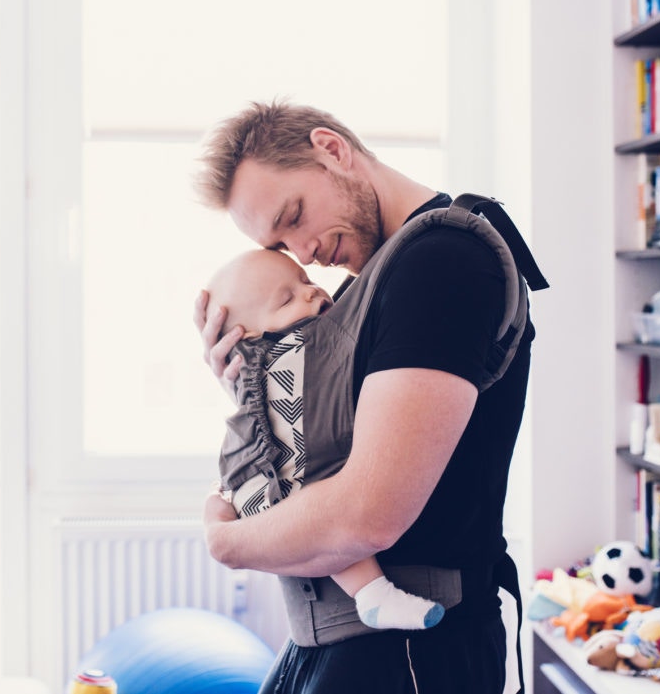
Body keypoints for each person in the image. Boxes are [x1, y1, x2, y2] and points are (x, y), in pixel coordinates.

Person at [192, 100, 540, 693]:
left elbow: (365, 517)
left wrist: (230, 543)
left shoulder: (441, 262)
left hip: (411, 651)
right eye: (281, 245)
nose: (304, 254)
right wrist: (255, 381)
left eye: (295, 216)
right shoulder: (366, 286)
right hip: (351, 646)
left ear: (332, 149)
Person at [205, 247, 446, 632]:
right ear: (245, 336)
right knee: (318, 506)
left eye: (306, 281)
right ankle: (373, 593)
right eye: (286, 299)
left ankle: (372, 596)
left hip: (252, 487)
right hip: (266, 488)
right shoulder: (297, 347)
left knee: (320, 505)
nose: (311, 293)